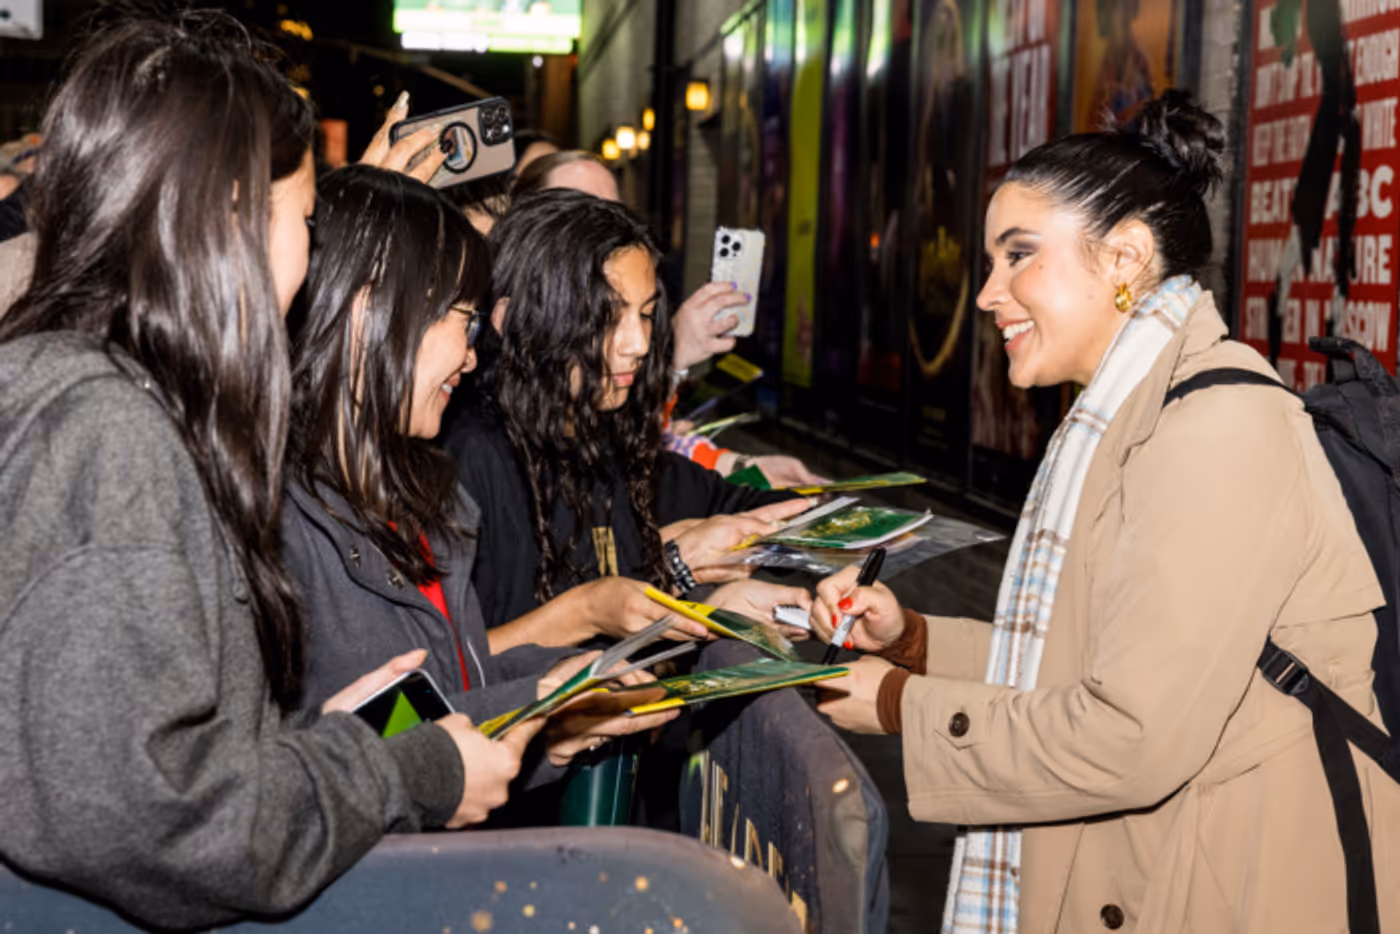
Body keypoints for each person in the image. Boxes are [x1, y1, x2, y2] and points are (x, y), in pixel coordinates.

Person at [810, 91, 1400, 932]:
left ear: (1124, 257)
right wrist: (912, 642)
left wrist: (903, 705)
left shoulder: (1215, 426)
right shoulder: (1123, 417)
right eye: (989, 263)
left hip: (1232, 891)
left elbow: (1129, 735)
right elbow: (1081, 659)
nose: (988, 293)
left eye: (1019, 257)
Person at [0, 12, 534, 928]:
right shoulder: (109, 438)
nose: (311, 257)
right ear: (230, 221)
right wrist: (403, 765)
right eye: (309, 221)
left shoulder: (87, 400)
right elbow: (152, 822)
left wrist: (344, 741)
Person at [284, 164, 677, 766]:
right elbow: (306, 770)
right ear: (373, 312)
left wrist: (553, 697)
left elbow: (436, 697)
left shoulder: (417, 498)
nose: (471, 359)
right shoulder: (281, 524)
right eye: (463, 321)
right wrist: (533, 702)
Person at [441, 189, 812, 639]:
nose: (636, 343)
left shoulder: (610, 439)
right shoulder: (469, 457)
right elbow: (452, 668)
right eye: (609, 317)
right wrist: (667, 564)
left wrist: (856, 528)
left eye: (647, 315)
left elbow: (738, 507)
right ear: (514, 318)